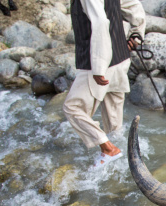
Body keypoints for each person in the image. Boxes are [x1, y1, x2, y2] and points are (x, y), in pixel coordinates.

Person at [63, 0, 146, 168]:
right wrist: (136, 34)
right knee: (114, 124)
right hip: (120, 58)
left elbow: (100, 22)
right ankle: (122, 162)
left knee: (72, 107)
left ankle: (109, 150)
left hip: (100, 64)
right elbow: (133, 5)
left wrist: (99, 67)